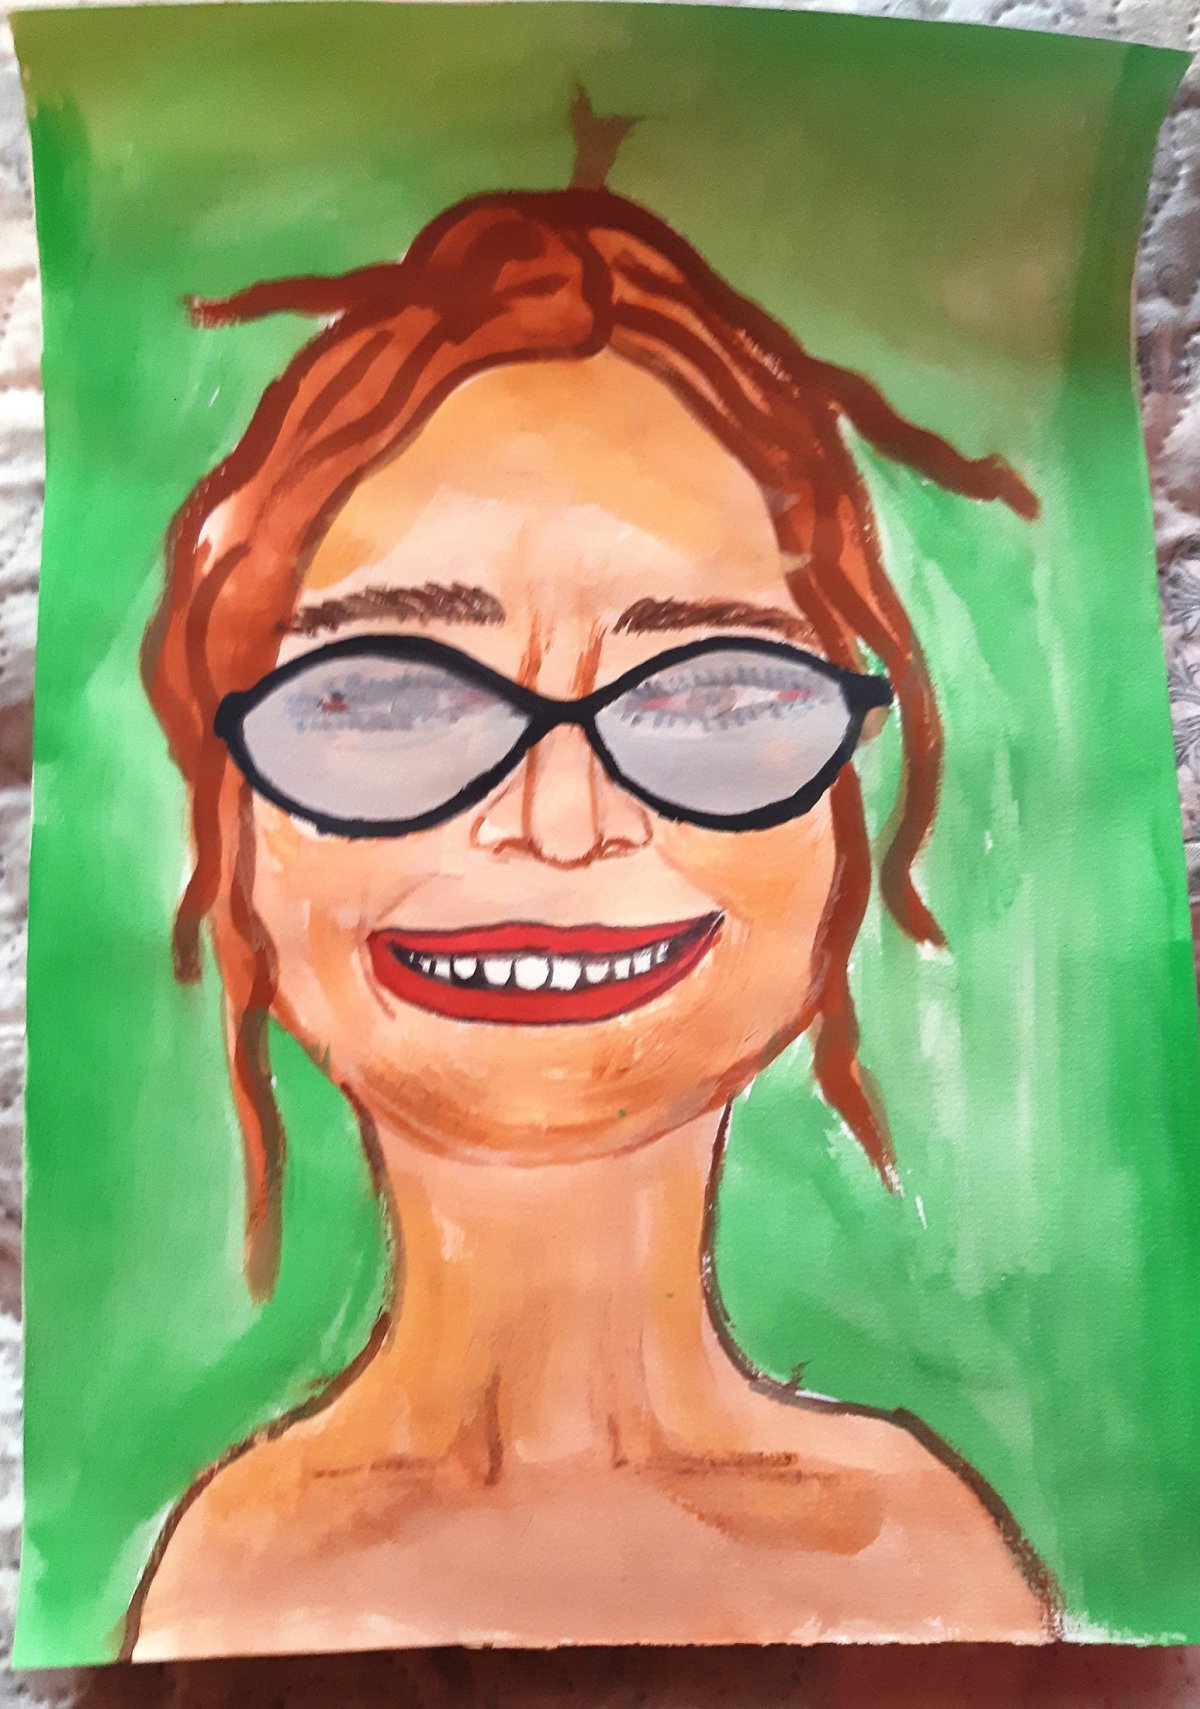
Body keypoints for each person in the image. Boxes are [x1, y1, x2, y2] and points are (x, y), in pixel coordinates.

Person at [128, 99, 1057, 1655]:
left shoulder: (936, 1570)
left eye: (709, 694)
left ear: (839, 816)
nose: (559, 823)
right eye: (390, 695)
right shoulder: (222, 1589)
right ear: (236, 813)